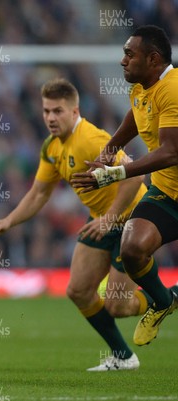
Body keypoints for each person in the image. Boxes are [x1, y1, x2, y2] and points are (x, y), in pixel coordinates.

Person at [0, 78, 152, 371]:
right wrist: (9, 221)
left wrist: (110, 219)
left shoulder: (92, 139)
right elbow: (40, 193)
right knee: (78, 291)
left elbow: (135, 177)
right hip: (101, 220)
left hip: (131, 218)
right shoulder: (52, 147)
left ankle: (165, 297)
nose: (50, 118)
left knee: (118, 306)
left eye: (57, 111)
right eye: (46, 111)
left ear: (75, 111)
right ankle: (124, 357)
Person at [71, 25, 178, 347]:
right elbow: (136, 114)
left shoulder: (172, 89)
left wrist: (117, 173)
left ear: (154, 59)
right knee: (133, 248)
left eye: (130, 54)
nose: (123, 61)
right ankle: (163, 301)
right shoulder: (143, 87)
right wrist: (109, 150)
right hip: (168, 194)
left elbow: (171, 151)